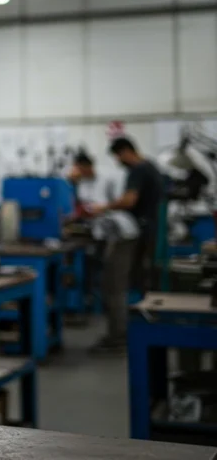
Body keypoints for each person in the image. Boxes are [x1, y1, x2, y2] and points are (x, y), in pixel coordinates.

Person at [89, 136, 165, 352]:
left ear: (125, 151)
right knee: (135, 283)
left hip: (132, 235)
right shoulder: (151, 166)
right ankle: (129, 331)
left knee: (114, 283)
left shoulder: (138, 169)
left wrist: (103, 208)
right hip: (148, 233)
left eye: (117, 156)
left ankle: (118, 336)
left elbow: (129, 200)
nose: (117, 161)